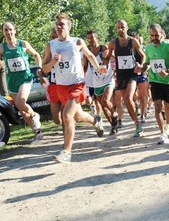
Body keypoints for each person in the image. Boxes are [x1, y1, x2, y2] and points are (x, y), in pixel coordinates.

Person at [42, 13, 107, 163]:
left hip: (77, 84)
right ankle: (95, 120)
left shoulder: (77, 41)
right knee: (78, 116)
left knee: (66, 116)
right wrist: (52, 62)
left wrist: (98, 67)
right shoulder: (50, 45)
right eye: (57, 24)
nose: (58, 27)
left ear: (69, 27)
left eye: (62, 24)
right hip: (61, 86)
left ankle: (67, 152)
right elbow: (44, 69)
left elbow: (90, 55)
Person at [0, 22, 43, 144]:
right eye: (6, 30)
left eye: (10, 29)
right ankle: (38, 134)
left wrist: (39, 67)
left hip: (25, 77)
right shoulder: (1, 47)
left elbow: (36, 55)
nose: (8, 32)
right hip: (12, 80)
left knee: (21, 102)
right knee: (22, 110)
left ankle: (35, 116)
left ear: (14, 30)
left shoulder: (23, 44)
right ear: (3, 32)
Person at [142, 23, 169, 144]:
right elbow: (148, 62)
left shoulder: (168, 46)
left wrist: (168, 70)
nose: (154, 38)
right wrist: (142, 68)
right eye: (152, 36)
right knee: (157, 106)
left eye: (156, 35)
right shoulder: (149, 48)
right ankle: (162, 133)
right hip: (154, 80)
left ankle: (168, 124)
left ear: (162, 35)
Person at [105, 20, 146, 137]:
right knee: (127, 102)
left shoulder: (133, 41)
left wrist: (140, 65)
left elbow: (143, 55)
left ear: (127, 28)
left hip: (132, 74)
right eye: (118, 27)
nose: (120, 30)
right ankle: (136, 122)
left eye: (122, 27)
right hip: (120, 75)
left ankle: (138, 125)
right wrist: (104, 65)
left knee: (128, 98)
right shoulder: (113, 43)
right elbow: (108, 58)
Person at [83, 30, 116, 135]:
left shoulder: (104, 48)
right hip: (96, 82)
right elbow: (84, 65)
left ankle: (114, 113)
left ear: (97, 38)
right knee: (102, 106)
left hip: (107, 79)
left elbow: (112, 58)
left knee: (106, 101)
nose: (90, 40)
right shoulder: (87, 50)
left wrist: (107, 57)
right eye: (88, 38)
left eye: (92, 38)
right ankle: (113, 126)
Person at [40, 27, 62, 125]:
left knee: (67, 115)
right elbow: (42, 68)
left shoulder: (66, 48)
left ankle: (68, 135)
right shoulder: (47, 50)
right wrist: (42, 76)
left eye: (55, 37)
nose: (53, 39)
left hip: (67, 84)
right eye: (51, 37)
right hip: (53, 85)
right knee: (57, 120)